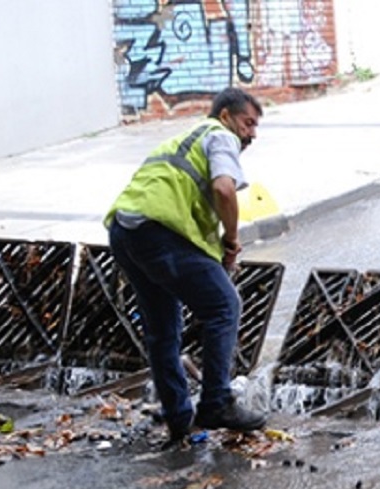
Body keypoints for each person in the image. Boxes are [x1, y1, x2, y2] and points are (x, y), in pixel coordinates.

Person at [106, 87, 267, 446]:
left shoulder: (183, 138)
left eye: (256, 127)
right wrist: (231, 243)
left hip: (125, 232)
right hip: (159, 232)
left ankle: (180, 419)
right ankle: (216, 403)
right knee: (224, 305)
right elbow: (225, 190)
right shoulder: (219, 136)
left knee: (162, 331)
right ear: (225, 116)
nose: (251, 134)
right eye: (248, 123)